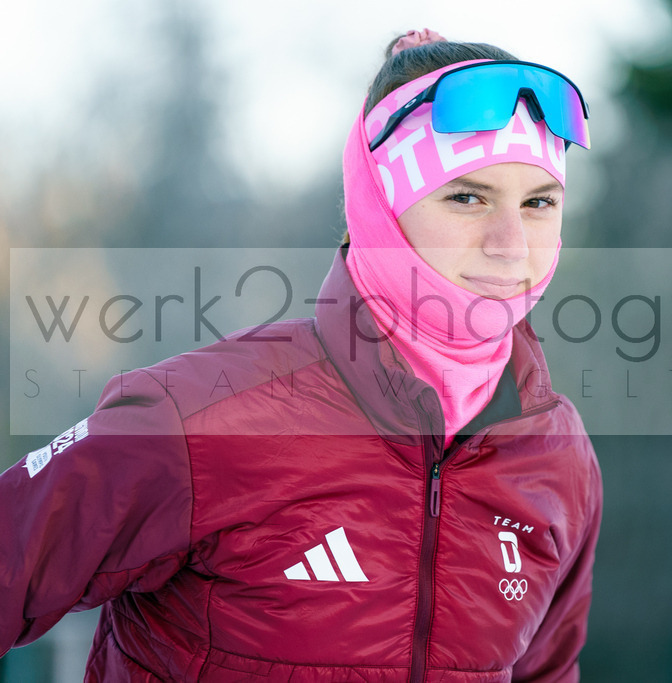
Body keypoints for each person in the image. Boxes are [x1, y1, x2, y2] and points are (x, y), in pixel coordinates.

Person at [0, 28, 602, 682]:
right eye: (468, 197)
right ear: (382, 210)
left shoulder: (555, 458)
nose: (512, 244)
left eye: (539, 203)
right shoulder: (204, 421)